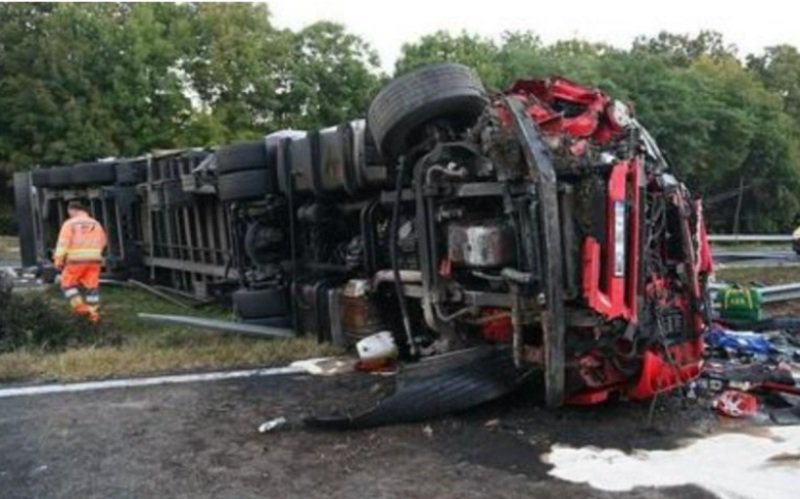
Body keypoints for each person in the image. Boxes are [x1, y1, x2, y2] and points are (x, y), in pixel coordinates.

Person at [53, 200, 107, 323]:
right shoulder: (96, 223)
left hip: (76, 260)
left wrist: (58, 260)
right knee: (92, 287)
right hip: (94, 260)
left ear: (72, 210)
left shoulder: (69, 224)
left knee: (67, 284)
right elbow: (103, 241)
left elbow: (63, 243)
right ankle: (93, 315)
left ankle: (81, 309)